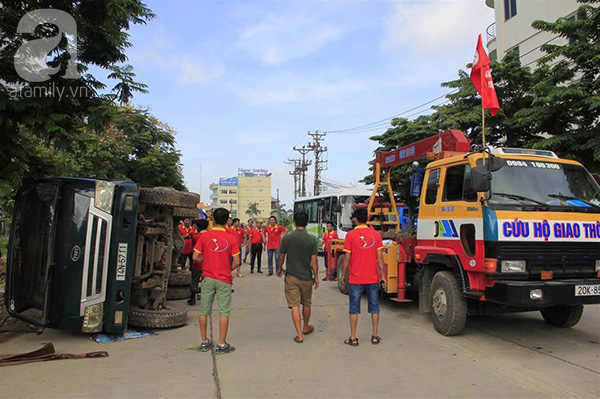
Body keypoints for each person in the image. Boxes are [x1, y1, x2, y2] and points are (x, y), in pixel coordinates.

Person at [193, 208, 240, 355]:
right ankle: (221, 344)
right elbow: (237, 261)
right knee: (224, 312)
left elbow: (195, 257)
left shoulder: (205, 237)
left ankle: (204, 341)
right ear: (228, 221)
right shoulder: (231, 238)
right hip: (224, 279)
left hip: (208, 277)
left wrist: (206, 262)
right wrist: (227, 268)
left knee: (204, 311)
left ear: (212, 220)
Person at [340, 208, 386, 347]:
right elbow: (379, 257)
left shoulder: (350, 235)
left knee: (354, 308)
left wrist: (343, 274)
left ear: (355, 220)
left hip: (355, 278)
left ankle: (353, 338)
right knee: (374, 307)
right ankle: (375, 336)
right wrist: (382, 275)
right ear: (367, 219)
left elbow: (347, 258)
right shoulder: (376, 235)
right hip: (372, 277)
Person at [277, 211, 319, 343]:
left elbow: (282, 256)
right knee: (306, 303)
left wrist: (279, 268)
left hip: (292, 277)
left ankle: (299, 335)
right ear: (307, 223)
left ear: (294, 222)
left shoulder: (288, 238)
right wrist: (316, 277)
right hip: (307, 277)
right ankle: (306, 326)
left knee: (295, 305)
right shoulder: (312, 239)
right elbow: (314, 261)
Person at [189, 219, 209, 306]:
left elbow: (192, 248)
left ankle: (192, 299)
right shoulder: (210, 236)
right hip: (208, 262)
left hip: (197, 262)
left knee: (195, 281)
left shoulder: (196, 236)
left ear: (197, 227)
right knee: (207, 282)